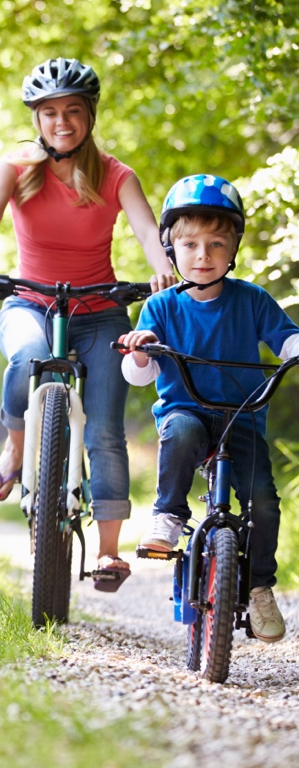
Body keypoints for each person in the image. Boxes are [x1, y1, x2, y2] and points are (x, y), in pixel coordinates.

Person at [0, 57, 176, 591]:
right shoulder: (18, 167)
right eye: (49, 113)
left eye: (73, 111)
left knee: (104, 431)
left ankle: (109, 552)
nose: (62, 122)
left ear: (90, 115)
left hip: (100, 315)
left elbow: (146, 228)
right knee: (26, 356)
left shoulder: (117, 174)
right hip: (30, 303)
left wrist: (162, 263)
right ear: (36, 119)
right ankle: (16, 444)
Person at [119, 174, 299, 642]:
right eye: (191, 244)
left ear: (233, 248)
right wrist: (142, 349)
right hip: (188, 411)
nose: (203, 255)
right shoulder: (160, 307)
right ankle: (169, 514)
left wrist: (295, 347)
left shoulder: (252, 300)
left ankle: (260, 586)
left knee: (262, 499)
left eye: (217, 244)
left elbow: (286, 338)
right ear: (171, 248)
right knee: (178, 433)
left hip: (241, 415)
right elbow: (140, 374)